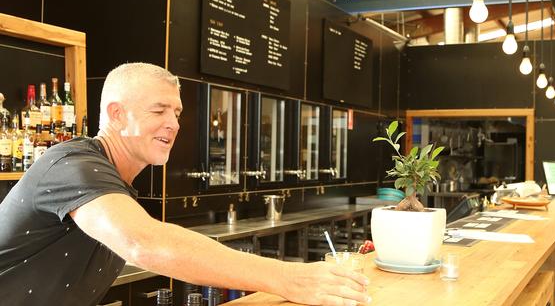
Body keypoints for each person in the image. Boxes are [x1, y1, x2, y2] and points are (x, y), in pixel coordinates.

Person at [0, 63, 370, 305]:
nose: (174, 124)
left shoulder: (117, 185)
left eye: (176, 113)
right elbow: (143, 242)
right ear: (116, 114)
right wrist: (290, 278)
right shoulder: (71, 163)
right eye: (158, 111)